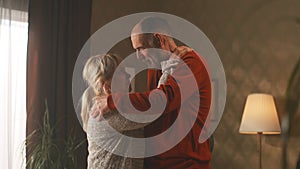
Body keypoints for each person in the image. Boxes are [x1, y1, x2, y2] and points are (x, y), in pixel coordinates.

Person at [92, 16, 212, 169]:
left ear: (159, 39)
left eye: (141, 48)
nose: (137, 56)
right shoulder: (156, 69)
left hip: (185, 164)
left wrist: (112, 101)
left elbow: (161, 101)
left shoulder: (191, 63)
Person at [81, 54, 150, 169]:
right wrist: (170, 68)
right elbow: (157, 108)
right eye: (122, 72)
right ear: (107, 86)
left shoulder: (113, 109)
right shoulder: (109, 115)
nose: (128, 75)